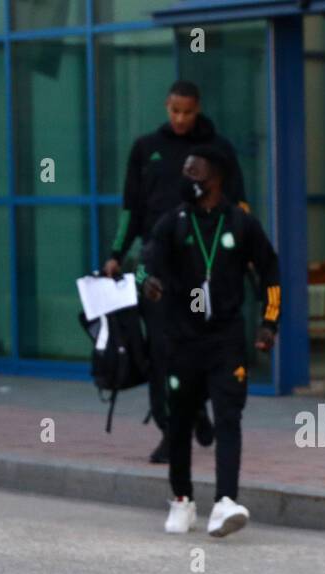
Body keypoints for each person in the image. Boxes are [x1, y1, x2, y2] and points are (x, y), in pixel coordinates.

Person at [103, 80, 249, 464]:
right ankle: (171, 431)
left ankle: (198, 406)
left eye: (187, 111)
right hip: (156, 268)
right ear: (167, 107)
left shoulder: (218, 150)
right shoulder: (146, 149)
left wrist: (244, 254)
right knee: (161, 350)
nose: (180, 118)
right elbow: (130, 207)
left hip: (205, 268)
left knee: (201, 346)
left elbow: (240, 205)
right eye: (174, 110)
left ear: (197, 107)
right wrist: (117, 253)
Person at [141, 144, 279, 537]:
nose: (187, 179)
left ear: (215, 176)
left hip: (226, 340)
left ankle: (225, 503)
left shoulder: (240, 222)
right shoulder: (173, 222)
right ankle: (182, 500)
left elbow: (270, 271)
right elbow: (143, 263)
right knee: (180, 422)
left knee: (229, 418)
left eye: (194, 172)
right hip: (180, 340)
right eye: (185, 172)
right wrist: (147, 281)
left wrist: (270, 322)